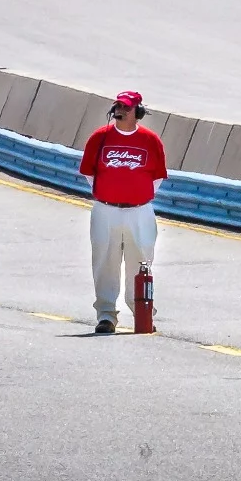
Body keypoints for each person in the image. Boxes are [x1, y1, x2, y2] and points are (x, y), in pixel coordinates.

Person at [78, 91, 167, 334]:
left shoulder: (150, 141)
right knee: (105, 262)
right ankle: (106, 316)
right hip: (106, 210)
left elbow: (158, 176)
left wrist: (137, 198)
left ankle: (143, 313)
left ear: (137, 113)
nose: (120, 111)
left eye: (126, 108)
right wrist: (110, 195)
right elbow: (89, 173)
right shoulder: (100, 138)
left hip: (140, 212)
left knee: (141, 263)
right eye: (118, 106)